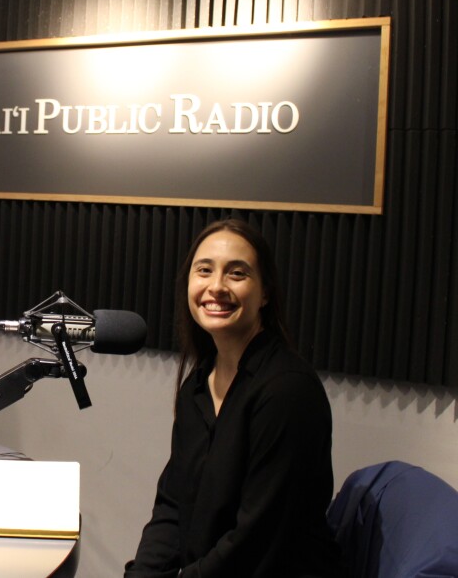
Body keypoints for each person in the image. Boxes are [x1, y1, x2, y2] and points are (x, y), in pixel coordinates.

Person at [124, 219, 342, 578]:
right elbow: (172, 506)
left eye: (237, 274)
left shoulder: (286, 391)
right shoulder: (197, 385)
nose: (216, 287)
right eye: (204, 271)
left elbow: (256, 542)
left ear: (265, 293)